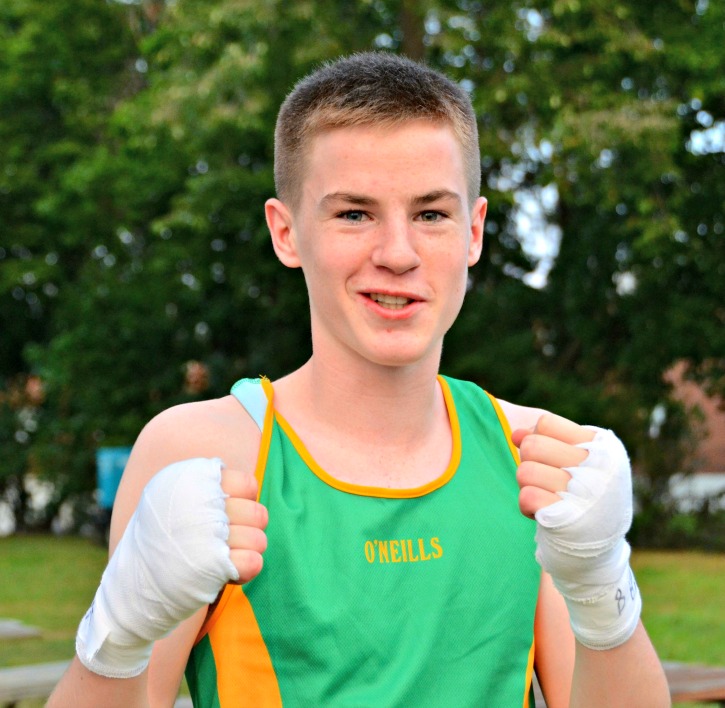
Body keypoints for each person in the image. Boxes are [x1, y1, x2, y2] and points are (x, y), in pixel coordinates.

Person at [49, 52, 670, 707]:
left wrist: (605, 590)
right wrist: (113, 639)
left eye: (430, 214)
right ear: (286, 233)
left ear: (473, 231)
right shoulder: (203, 455)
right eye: (354, 214)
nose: (397, 253)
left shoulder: (533, 458)